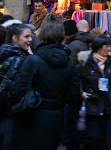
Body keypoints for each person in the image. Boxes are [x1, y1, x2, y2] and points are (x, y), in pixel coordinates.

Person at [9, 14, 79, 150]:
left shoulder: (33, 60)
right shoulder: (69, 62)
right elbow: (74, 93)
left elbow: (18, 90)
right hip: (56, 116)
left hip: (32, 115)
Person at [0, 23, 33, 150]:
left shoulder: (5, 54)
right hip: (9, 112)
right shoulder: (18, 59)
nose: (30, 40)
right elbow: (8, 89)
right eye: (26, 37)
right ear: (15, 38)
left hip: (2, 111)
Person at [76, 36, 111, 150]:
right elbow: (76, 81)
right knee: (92, 137)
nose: (109, 49)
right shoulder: (85, 63)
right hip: (92, 105)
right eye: (106, 46)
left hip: (107, 106)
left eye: (109, 46)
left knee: (105, 138)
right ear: (98, 48)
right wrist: (81, 93)